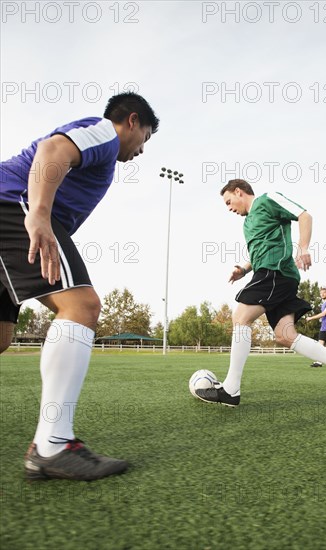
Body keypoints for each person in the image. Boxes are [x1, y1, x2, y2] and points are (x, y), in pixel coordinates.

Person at [0, 92, 159, 479]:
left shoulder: (103, 153)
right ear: (132, 121)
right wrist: (38, 214)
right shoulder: (103, 132)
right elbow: (52, 150)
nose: (141, 150)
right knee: (82, 307)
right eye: (146, 139)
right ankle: (52, 445)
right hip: (12, 203)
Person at [195, 180, 326, 407]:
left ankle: (230, 389)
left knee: (240, 318)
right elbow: (259, 251)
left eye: (229, 202)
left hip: (275, 272)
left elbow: (304, 215)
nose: (229, 208)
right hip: (273, 276)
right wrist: (243, 269)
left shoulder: (267, 200)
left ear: (239, 191)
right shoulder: (247, 223)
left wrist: (303, 249)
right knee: (285, 335)